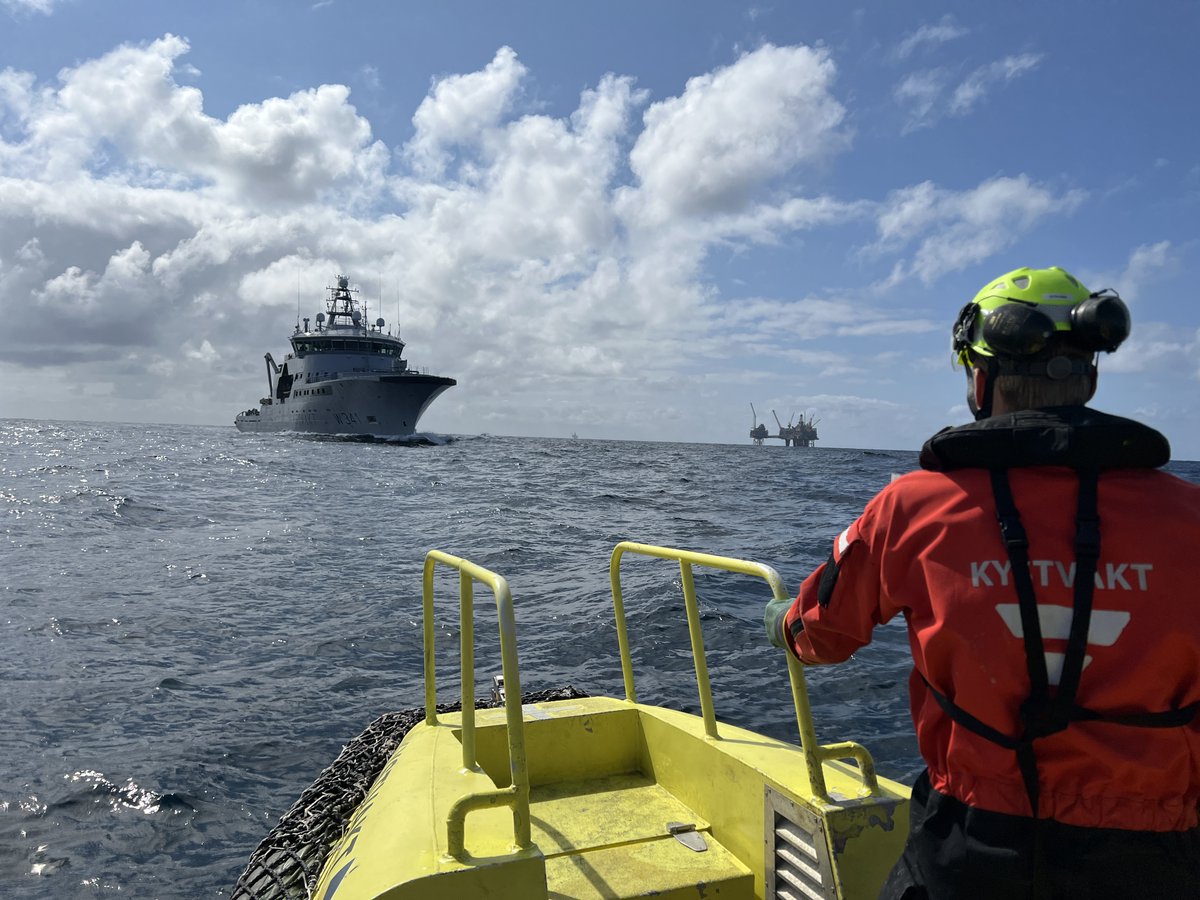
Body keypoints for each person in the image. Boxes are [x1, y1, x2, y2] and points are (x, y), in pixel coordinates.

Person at [764, 266, 1200, 899]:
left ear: (979, 378)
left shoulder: (912, 508)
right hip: (1159, 856)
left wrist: (778, 618)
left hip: (971, 846)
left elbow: (819, 637)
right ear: (1092, 374)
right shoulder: (1190, 519)